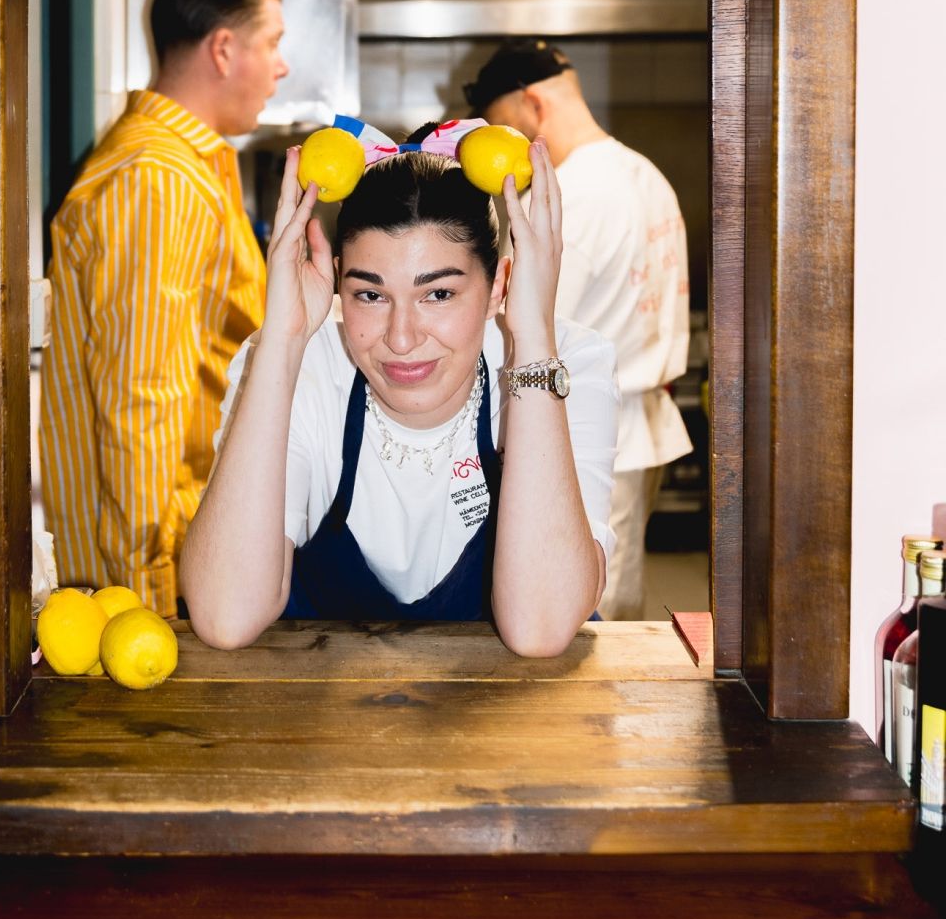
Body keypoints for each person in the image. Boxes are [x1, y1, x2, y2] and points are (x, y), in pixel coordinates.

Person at [180, 121, 618, 655]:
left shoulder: (565, 363)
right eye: (370, 295)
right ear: (336, 283)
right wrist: (282, 342)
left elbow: (540, 628)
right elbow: (225, 616)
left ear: (499, 285)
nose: (401, 338)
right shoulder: (304, 363)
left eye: (438, 294)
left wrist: (532, 340)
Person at [39, 0, 288, 617]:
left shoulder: (178, 166)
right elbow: (141, 396)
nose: (281, 67)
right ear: (224, 49)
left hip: (185, 549)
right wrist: (151, 595)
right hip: (160, 572)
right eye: (273, 43)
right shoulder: (159, 178)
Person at [462, 40, 692, 620]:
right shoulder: (645, 174)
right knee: (614, 593)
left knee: (582, 608)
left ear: (532, 105)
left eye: (502, 127)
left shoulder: (565, 198)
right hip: (639, 425)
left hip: (583, 429)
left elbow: (521, 328)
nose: (502, 149)